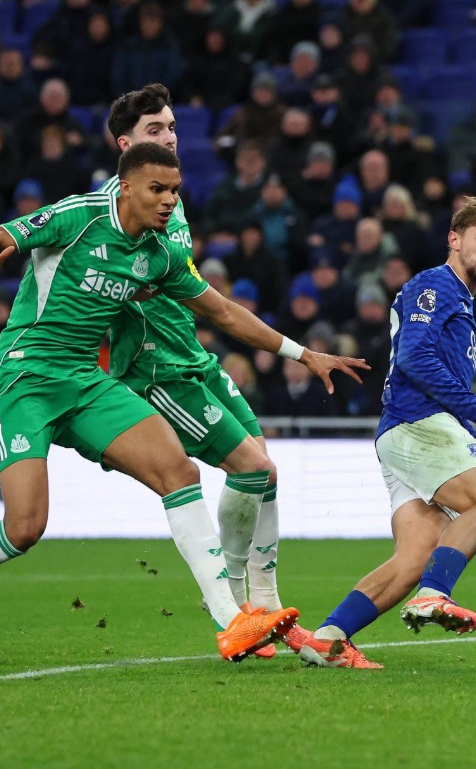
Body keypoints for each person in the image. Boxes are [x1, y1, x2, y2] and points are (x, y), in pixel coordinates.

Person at [0, 143, 363, 667]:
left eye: (174, 191)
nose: (167, 201)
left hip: (87, 382)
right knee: (25, 527)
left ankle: (232, 621)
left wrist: (303, 354)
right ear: (128, 187)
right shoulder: (79, 216)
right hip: (24, 379)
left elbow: (224, 313)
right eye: (157, 190)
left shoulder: (158, 255)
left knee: (179, 473)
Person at [95, 84, 358, 655]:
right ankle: (239, 606)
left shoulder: (171, 199)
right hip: (156, 369)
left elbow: (205, 300)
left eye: (171, 128)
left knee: (267, 475)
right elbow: (81, 303)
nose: (168, 137)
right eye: (154, 131)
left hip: (195, 359)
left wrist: (300, 352)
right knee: (253, 467)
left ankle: (263, 601)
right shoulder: (105, 217)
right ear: (124, 146)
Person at [294, 197, 476, 669]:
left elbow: (440, 391)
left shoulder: (462, 302)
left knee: (414, 557)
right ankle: (435, 595)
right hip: (415, 425)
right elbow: (413, 359)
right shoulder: (436, 285)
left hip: (406, 432)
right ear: (454, 239)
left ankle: (326, 638)